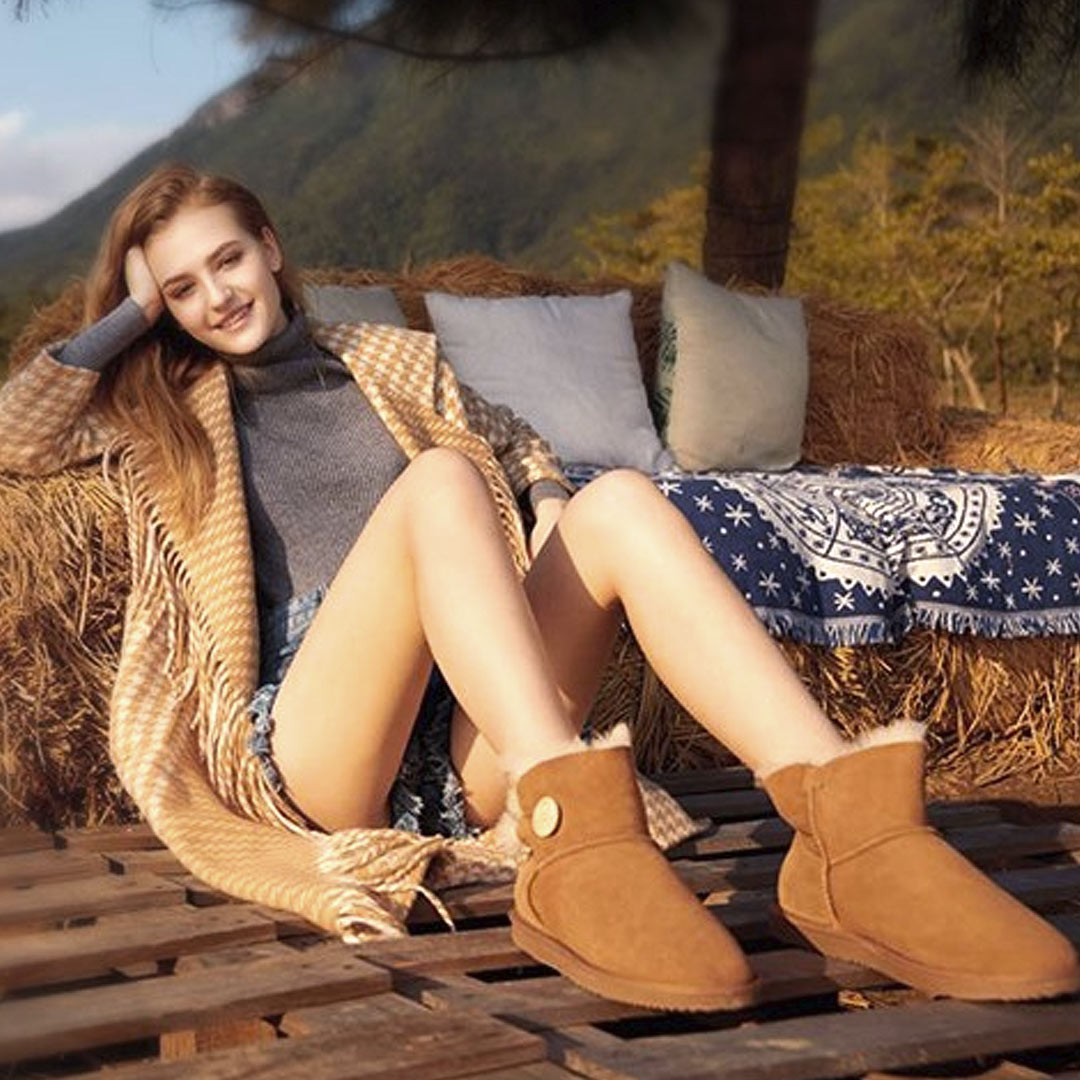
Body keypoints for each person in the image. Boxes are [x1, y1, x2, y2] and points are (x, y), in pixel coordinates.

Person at [1, 162, 1076, 1010]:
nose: (215, 296)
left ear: (270, 248)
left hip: (472, 729)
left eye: (225, 260)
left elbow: (510, 437)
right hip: (322, 743)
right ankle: (576, 831)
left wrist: (555, 496)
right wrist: (125, 317)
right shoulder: (159, 411)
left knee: (623, 506)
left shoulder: (388, 359)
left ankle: (852, 833)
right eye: (179, 287)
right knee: (435, 484)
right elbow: (15, 440)